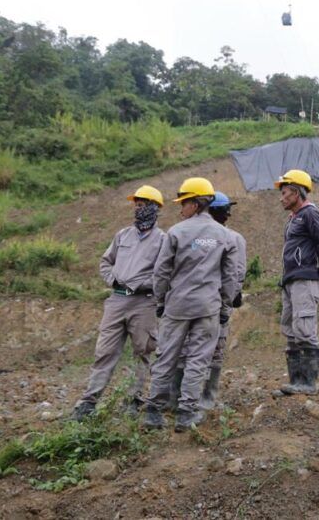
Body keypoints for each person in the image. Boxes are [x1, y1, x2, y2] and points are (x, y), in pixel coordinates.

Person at [142, 177, 238, 432]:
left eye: (184, 202)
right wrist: (225, 304)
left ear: (196, 203)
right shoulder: (223, 235)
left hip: (178, 306)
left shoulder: (176, 232)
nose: (180, 208)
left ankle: (154, 412)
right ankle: (186, 413)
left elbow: (162, 272)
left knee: (166, 357)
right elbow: (230, 276)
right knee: (198, 359)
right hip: (208, 307)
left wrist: (161, 299)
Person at [71, 185, 166, 421]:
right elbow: (105, 262)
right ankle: (88, 402)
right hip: (116, 300)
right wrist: (114, 280)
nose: (137, 208)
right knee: (104, 352)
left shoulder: (164, 240)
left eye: (142, 204)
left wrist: (142, 284)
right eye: (136, 204)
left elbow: (164, 274)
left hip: (144, 303)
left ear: (154, 208)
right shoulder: (122, 235)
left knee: (143, 352)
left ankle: (133, 401)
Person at [169, 191, 246, 411]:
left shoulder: (231, 238)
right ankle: (188, 399)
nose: (228, 214)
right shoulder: (216, 236)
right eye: (225, 210)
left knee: (206, 351)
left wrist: (226, 303)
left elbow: (236, 275)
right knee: (195, 351)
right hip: (208, 302)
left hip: (211, 302)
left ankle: (201, 398)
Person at [274, 169, 319, 395]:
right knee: (290, 329)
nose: (282, 197)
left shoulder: (310, 214)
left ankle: (308, 384)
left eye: (285, 192)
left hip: (305, 279)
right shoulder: (293, 219)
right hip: (290, 281)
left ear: (297, 192)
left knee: (305, 328)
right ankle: (296, 382)